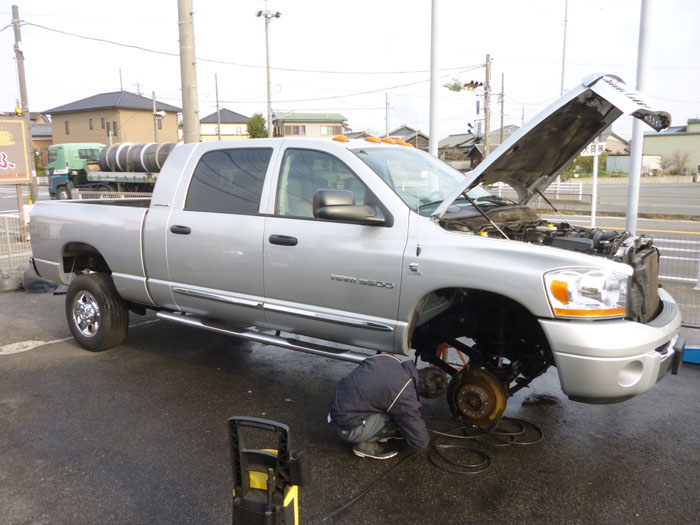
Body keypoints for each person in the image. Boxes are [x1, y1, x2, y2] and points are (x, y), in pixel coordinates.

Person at [328, 353, 448, 459]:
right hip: (347, 427)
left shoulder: (388, 358)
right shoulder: (404, 395)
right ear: (425, 396)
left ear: (422, 369)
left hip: (337, 402)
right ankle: (365, 444)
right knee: (397, 417)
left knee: (392, 406)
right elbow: (420, 442)